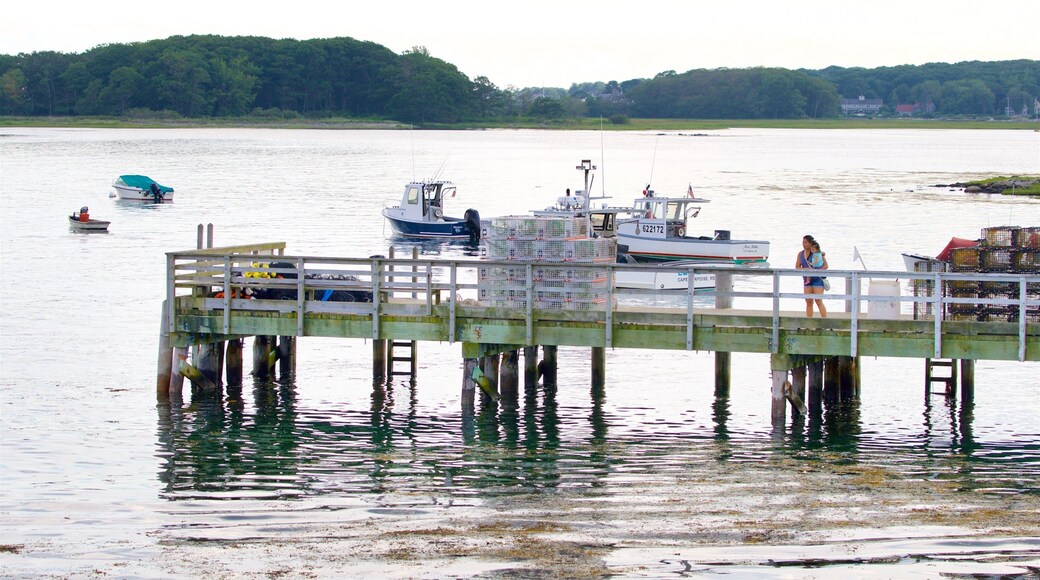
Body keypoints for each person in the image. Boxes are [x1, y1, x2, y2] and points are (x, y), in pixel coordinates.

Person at [795, 235, 827, 317]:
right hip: (807, 279)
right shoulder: (801, 254)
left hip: (817, 279)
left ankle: (825, 321)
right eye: (803, 242)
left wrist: (816, 271)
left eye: (805, 242)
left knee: (818, 300)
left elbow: (825, 265)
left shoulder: (817, 253)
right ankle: (809, 321)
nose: (803, 244)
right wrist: (806, 269)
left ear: (810, 243)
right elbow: (797, 266)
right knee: (808, 301)